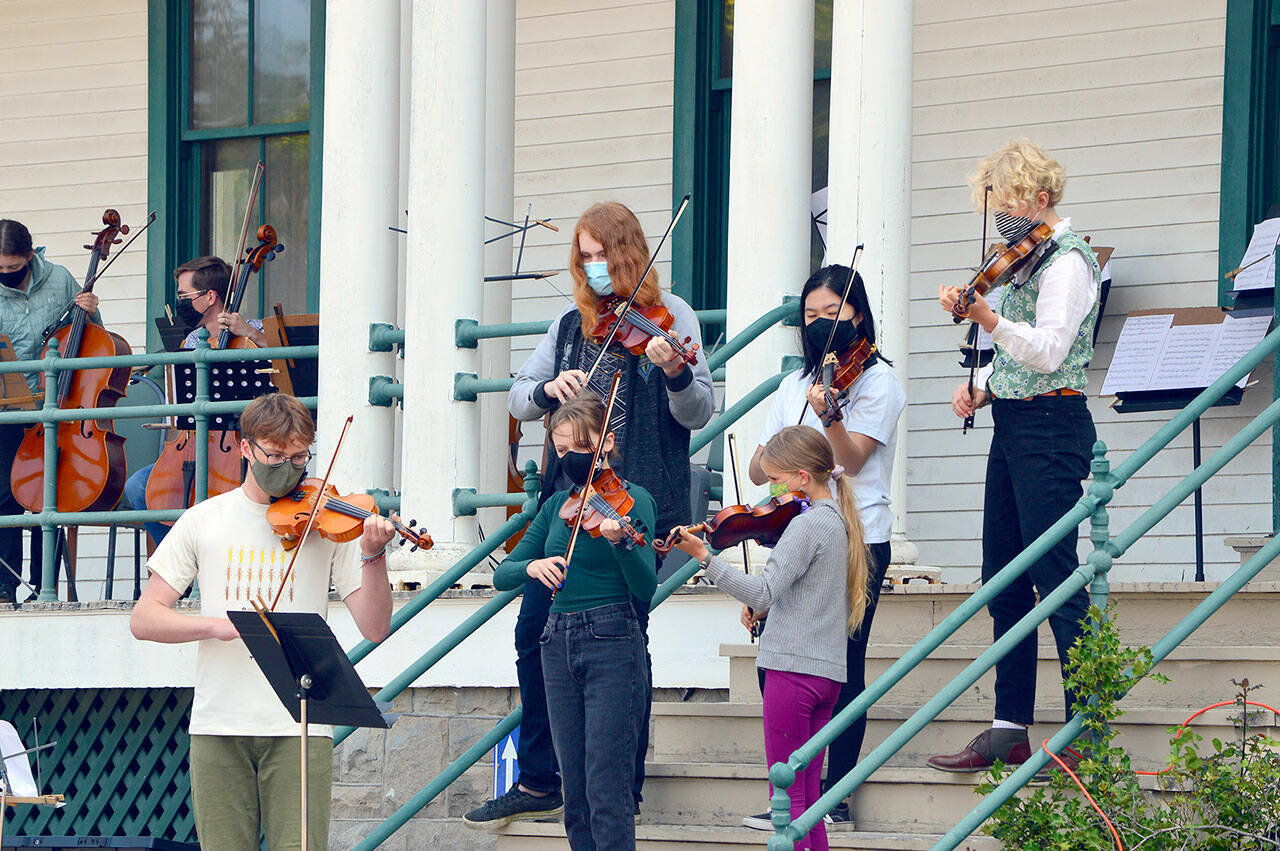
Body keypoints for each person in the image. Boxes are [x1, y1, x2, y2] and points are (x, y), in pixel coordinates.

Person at [466, 201, 714, 828]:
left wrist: (674, 372)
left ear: (629, 252)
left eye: (603, 255)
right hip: (569, 502)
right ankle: (544, 776)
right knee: (534, 636)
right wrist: (552, 390)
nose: (594, 268)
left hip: (638, 497)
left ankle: (621, 785)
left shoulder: (672, 316)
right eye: (584, 256)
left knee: (629, 640)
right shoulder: (569, 324)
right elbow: (522, 396)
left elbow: (699, 412)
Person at [129, 393, 395, 850]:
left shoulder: (326, 522)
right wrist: (218, 625)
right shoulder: (203, 520)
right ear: (245, 447)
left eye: (299, 457)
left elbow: (374, 627)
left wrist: (373, 556)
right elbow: (145, 618)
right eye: (275, 455)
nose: (289, 468)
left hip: (298, 726)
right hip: (218, 724)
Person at [928, 139, 1100, 774]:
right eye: (992, 204)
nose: (999, 218)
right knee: (1003, 573)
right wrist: (983, 384)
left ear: (1041, 201)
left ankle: (1088, 723)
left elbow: (1051, 350)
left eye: (1006, 203)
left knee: (1055, 572)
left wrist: (989, 321)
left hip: (1053, 425)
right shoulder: (1028, 264)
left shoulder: (1068, 263)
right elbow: (1016, 353)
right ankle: (1009, 726)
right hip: (1017, 420)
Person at [743, 263, 905, 829]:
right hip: (793, 532)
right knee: (778, 662)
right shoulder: (792, 384)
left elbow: (853, 460)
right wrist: (773, 454)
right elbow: (760, 468)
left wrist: (829, 413)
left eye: (831, 314)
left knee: (842, 663)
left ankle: (833, 793)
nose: (819, 324)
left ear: (856, 315)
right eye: (810, 316)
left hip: (857, 537)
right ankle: (790, 790)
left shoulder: (878, 381)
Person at [667, 425, 869, 851]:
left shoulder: (806, 525)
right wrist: (768, 607)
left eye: (777, 479)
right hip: (827, 673)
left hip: (792, 671)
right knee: (809, 797)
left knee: (788, 795)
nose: (772, 488)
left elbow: (763, 590)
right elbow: (803, 594)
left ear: (801, 477)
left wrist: (706, 558)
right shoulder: (837, 521)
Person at [492, 393, 656, 851]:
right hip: (556, 640)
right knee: (577, 792)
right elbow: (503, 572)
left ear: (605, 445)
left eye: (578, 447)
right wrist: (530, 567)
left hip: (612, 637)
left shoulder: (633, 499)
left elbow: (646, 588)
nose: (569, 459)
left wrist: (622, 543)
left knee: (607, 786)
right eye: (560, 450)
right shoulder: (555, 509)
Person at [122, 256, 266, 546]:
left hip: (244, 447)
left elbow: (285, 358)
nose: (179, 302)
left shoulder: (253, 329)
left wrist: (250, 334)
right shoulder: (190, 340)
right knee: (139, 486)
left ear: (210, 296)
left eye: (184, 296)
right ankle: (183, 568)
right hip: (194, 447)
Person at [0, 219, 100, 604]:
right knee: (4, 493)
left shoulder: (59, 279)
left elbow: (93, 337)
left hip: (57, 405)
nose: (7, 275)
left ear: (29, 256)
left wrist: (88, 311)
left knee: (52, 496)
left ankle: (46, 587)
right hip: (8, 406)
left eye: (13, 268)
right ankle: (4, 584)